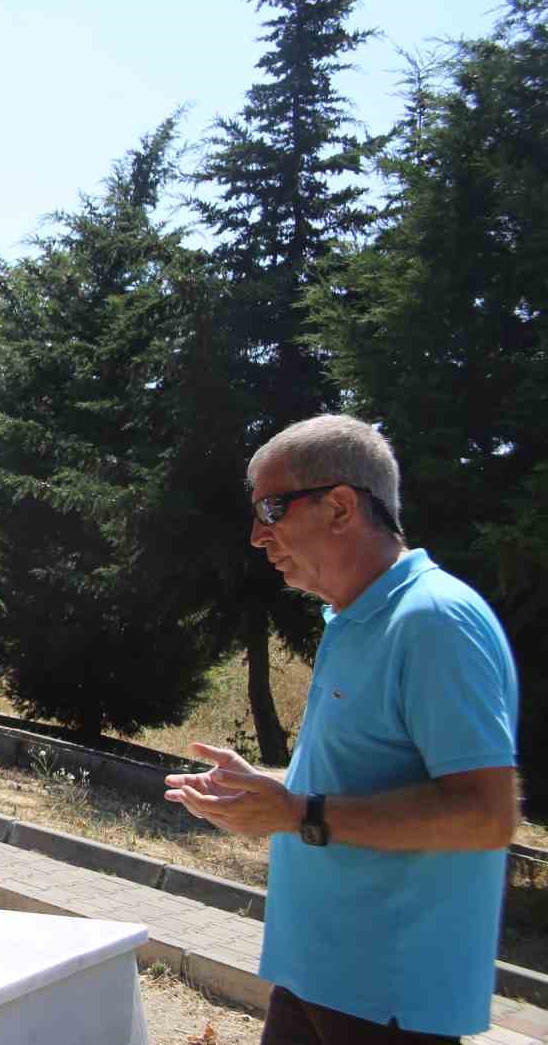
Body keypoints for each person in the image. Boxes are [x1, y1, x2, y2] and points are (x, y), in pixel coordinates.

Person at [165, 415, 519, 1044]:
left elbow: (485, 815)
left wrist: (298, 812)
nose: (256, 535)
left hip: (388, 996)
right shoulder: (355, 616)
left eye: (272, 509)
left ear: (339, 506)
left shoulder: (435, 620)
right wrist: (269, 788)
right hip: (317, 973)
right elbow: (365, 775)